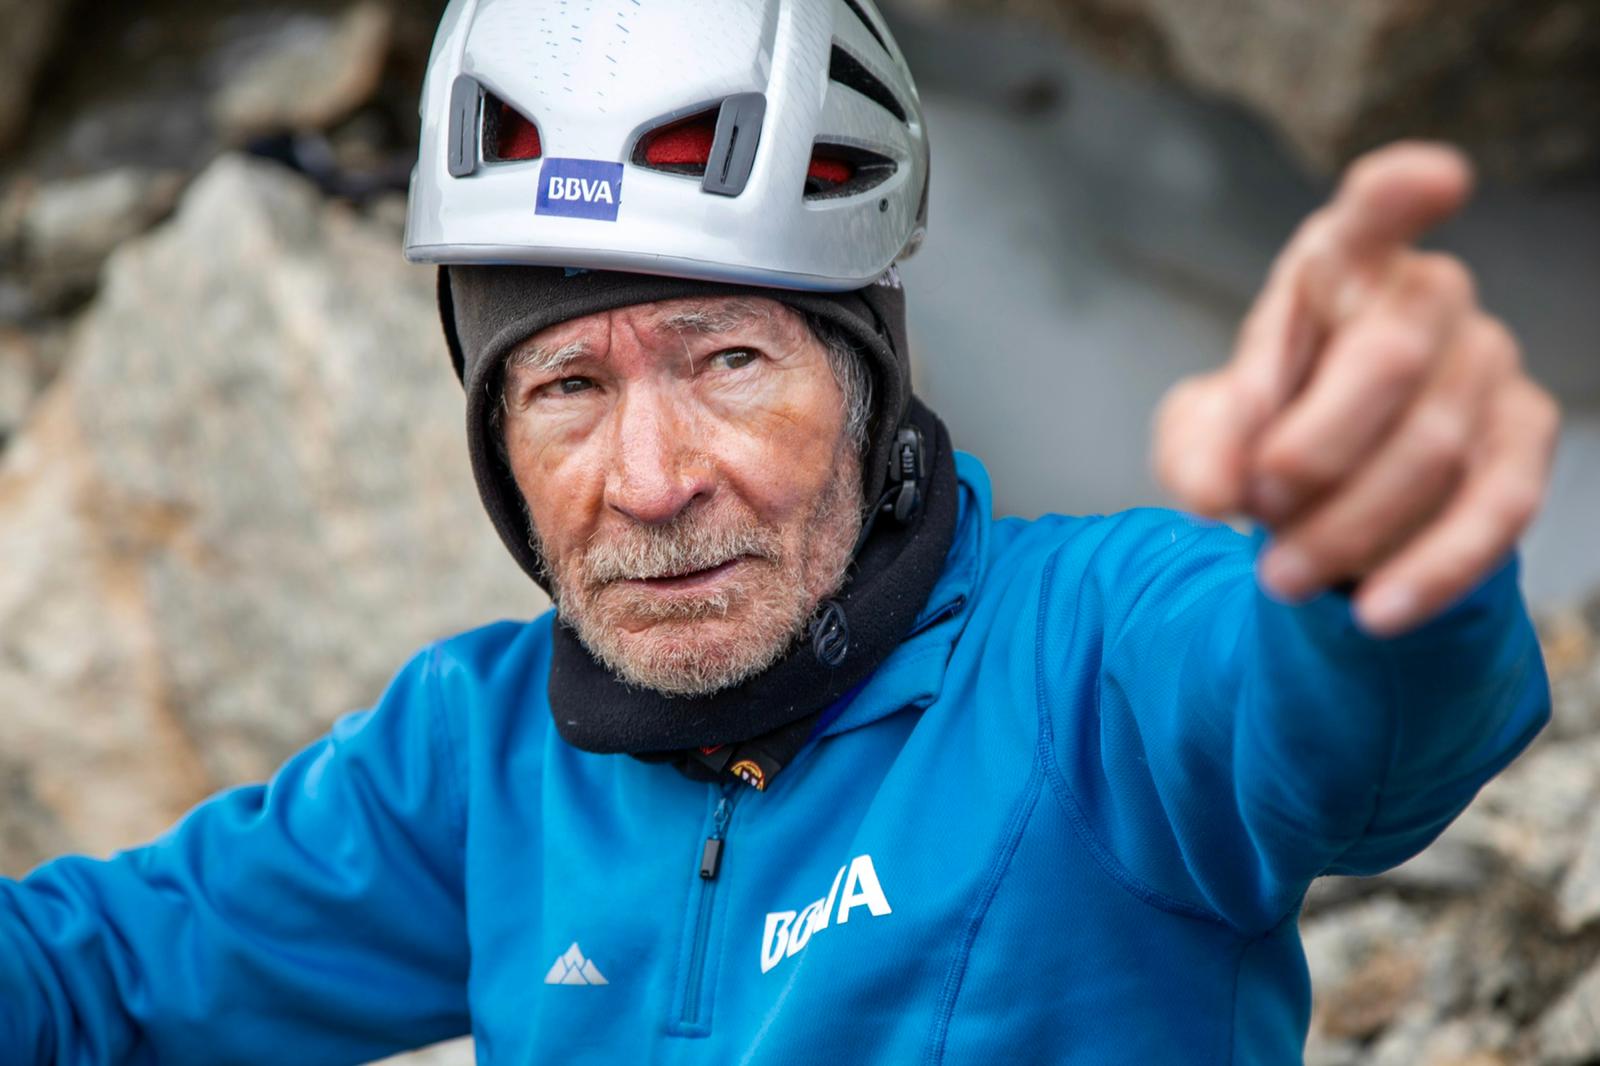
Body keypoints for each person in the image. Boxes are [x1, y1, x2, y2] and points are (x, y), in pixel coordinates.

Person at [0, 1, 1559, 1062]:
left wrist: (1378, 547)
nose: (652, 477)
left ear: (868, 379)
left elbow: (1357, 735)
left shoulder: (1085, 661)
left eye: (729, 361)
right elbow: (101, 976)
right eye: (566, 387)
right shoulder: (479, 757)